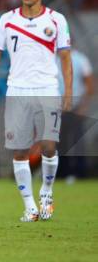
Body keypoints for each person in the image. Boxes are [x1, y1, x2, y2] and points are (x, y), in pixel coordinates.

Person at [0, 0, 72, 222]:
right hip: (17, 90)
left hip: (48, 90)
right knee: (19, 152)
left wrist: (68, 91)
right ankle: (29, 206)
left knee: (49, 146)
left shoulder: (56, 20)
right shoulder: (8, 20)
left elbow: (65, 59)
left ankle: (47, 192)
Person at [58, 47, 93, 181]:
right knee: (60, 143)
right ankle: (62, 173)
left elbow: (89, 85)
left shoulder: (81, 59)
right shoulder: (55, 59)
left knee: (77, 142)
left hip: (76, 108)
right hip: (59, 108)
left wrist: (83, 108)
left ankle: (79, 173)